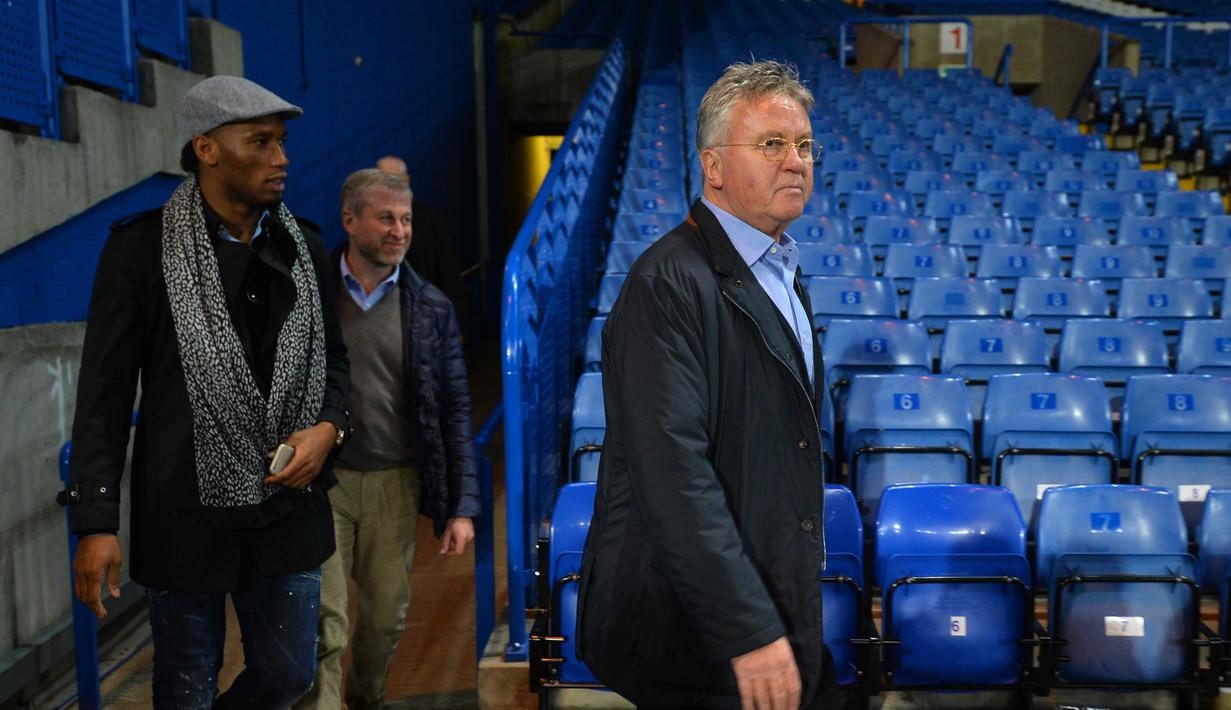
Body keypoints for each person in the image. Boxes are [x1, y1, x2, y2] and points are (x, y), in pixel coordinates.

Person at [63, 75, 350, 709]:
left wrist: (328, 429)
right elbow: (104, 396)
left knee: (290, 676)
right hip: (184, 517)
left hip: (287, 512)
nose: (281, 158)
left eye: (281, 142)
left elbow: (335, 366)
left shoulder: (305, 248)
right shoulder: (138, 251)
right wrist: (96, 521)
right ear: (207, 149)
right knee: (185, 688)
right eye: (261, 142)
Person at [577, 60, 833, 709]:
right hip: (696, 638)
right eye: (771, 144)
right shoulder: (666, 285)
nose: (795, 162)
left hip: (759, 611)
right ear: (713, 167)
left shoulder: (779, 273)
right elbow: (674, 479)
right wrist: (747, 629)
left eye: (803, 146)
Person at [295, 168, 480, 710]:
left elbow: (454, 409)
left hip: (396, 483)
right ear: (349, 221)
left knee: (384, 620)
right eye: (386, 218)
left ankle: (365, 700)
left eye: (406, 220)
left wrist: (462, 507)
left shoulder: (431, 308)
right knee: (323, 624)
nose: (399, 230)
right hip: (320, 484)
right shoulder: (308, 297)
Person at [374, 156, 466, 322]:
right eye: (380, 180)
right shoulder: (368, 224)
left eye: (392, 180)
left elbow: (447, 274)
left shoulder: (429, 220)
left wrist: (457, 325)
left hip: (423, 316)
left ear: (406, 180)